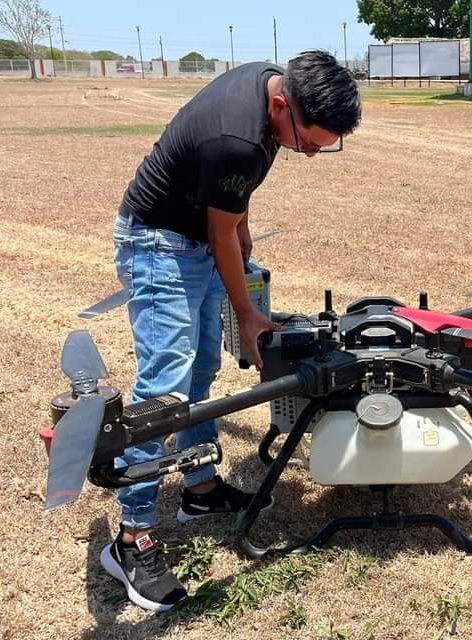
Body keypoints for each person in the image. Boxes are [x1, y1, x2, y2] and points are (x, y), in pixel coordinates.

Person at [103, 50, 361, 612]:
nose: (313, 154)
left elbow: (230, 203)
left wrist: (242, 230)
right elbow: (221, 230)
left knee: (201, 368)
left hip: (197, 235)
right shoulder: (238, 137)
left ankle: (197, 490)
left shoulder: (271, 91)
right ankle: (130, 538)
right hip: (158, 245)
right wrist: (247, 311)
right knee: (163, 388)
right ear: (279, 104)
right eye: (310, 142)